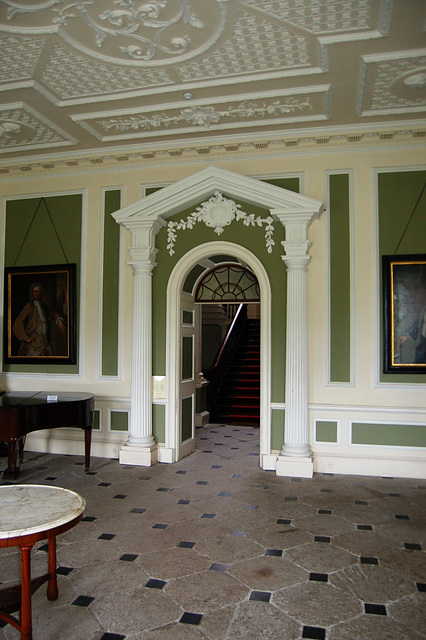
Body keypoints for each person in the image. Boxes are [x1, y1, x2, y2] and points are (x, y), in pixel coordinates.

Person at [12, 282, 66, 356]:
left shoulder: (43, 305)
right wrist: (25, 337)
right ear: (32, 293)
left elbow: (53, 313)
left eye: (39, 291)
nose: (37, 293)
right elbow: (18, 322)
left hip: (44, 341)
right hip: (33, 343)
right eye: (35, 292)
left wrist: (59, 320)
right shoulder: (29, 307)